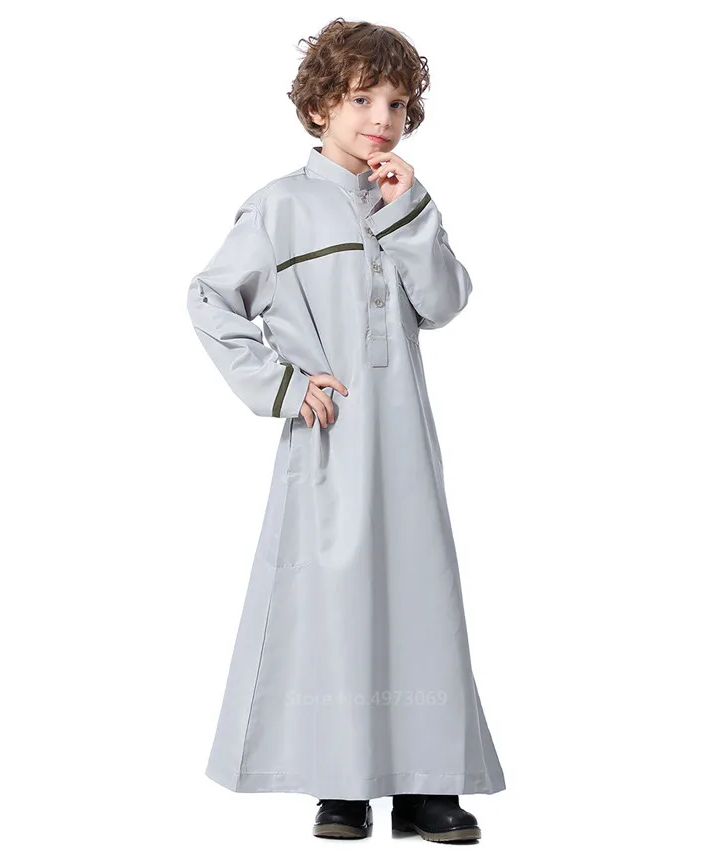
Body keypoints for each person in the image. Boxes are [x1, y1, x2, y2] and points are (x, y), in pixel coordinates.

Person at [186, 18, 506, 843]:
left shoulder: (404, 201)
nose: (382, 119)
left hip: (405, 440)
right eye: (362, 99)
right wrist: (284, 385)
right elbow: (210, 299)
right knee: (335, 605)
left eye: (396, 104)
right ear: (320, 105)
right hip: (331, 442)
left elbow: (445, 301)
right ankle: (342, 783)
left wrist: (410, 212)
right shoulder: (280, 206)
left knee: (420, 600)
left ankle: (427, 788)